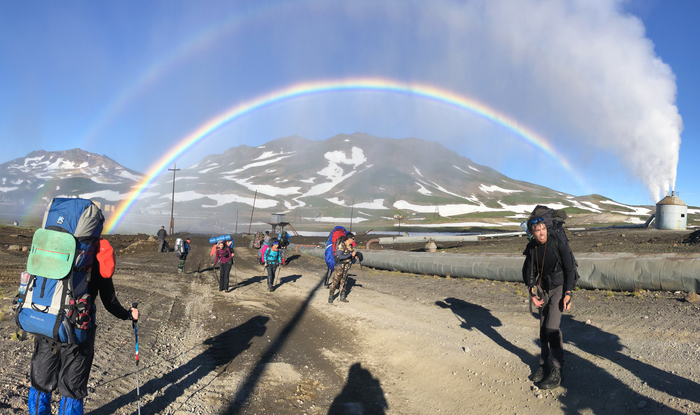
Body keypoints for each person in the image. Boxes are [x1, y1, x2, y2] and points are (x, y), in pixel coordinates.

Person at [28, 239, 139, 415]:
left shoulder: (54, 244)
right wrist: (127, 314)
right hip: (79, 327)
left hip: (46, 322)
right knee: (73, 385)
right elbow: (109, 301)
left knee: (42, 379)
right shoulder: (98, 250)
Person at [522, 216, 575, 390]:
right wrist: (532, 293)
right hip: (542, 289)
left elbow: (569, 269)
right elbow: (528, 270)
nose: (541, 232)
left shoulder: (557, 242)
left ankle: (557, 371)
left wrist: (568, 293)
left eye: (543, 228)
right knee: (543, 329)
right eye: (537, 230)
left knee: (552, 328)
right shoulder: (531, 248)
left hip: (559, 288)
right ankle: (544, 364)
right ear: (532, 233)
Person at [328, 233, 357, 303]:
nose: (353, 240)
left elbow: (350, 258)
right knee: (335, 281)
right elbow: (340, 256)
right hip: (340, 266)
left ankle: (342, 297)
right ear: (349, 239)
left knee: (344, 281)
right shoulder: (342, 245)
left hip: (346, 267)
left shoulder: (351, 247)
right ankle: (331, 296)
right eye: (353, 239)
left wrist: (354, 257)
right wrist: (350, 254)